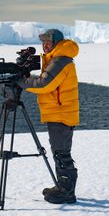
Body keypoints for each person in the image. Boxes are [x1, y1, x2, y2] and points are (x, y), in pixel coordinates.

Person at [17, 29, 79, 204]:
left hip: (61, 114)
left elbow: (45, 84)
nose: (45, 47)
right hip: (59, 112)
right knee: (58, 151)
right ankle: (62, 186)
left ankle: (67, 192)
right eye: (43, 43)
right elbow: (46, 79)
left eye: (49, 43)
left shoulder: (60, 60)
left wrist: (21, 82)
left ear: (57, 44)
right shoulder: (55, 58)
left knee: (61, 153)